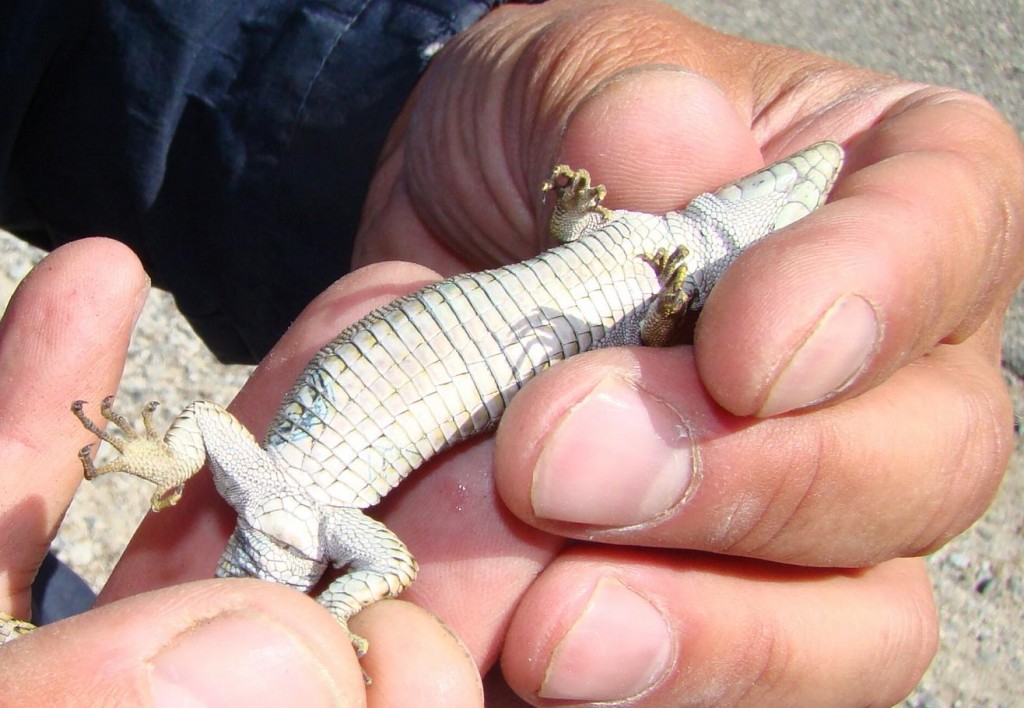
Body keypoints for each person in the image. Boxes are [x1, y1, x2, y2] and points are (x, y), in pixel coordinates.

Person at [1, 0, 1021, 703]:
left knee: (215, 455)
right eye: (785, 196)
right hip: (320, 504)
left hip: (300, 467)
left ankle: (202, 564)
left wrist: (425, 122)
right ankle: (319, 625)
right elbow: (625, 329)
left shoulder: (660, 256)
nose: (782, 194)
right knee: (372, 558)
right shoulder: (662, 273)